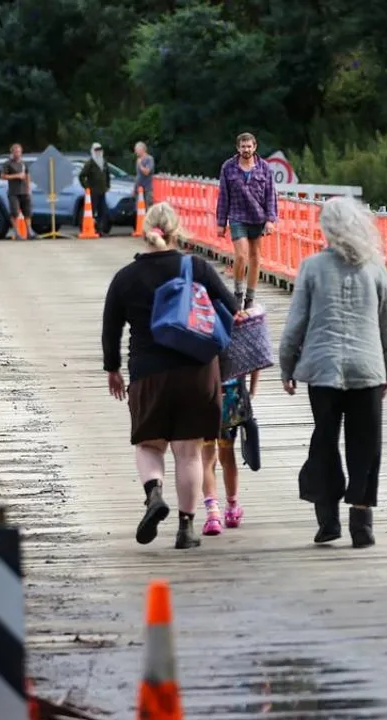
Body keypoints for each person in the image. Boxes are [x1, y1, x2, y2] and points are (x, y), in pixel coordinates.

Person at [101, 202, 240, 550]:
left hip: (148, 375)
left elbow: (110, 329)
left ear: (145, 231)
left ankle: (154, 493)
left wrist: (112, 369)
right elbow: (232, 308)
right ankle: (186, 529)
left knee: (149, 444)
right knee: (189, 453)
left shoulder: (125, 278)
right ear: (177, 231)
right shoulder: (196, 267)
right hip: (197, 372)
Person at [278, 196, 387, 549]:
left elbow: (295, 323)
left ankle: (328, 518)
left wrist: (287, 365)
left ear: (326, 228)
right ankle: (362, 522)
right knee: (366, 444)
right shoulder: (375, 268)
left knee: (325, 439)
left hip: (322, 369)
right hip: (367, 369)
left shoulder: (312, 267)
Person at [215, 132, 278, 310]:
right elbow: (223, 196)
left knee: (255, 258)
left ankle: (250, 297)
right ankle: (237, 293)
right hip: (237, 216)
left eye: (249, 146)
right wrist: (221, 223)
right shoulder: (228, 167)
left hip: (258, 217)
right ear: (238, 148)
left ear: (254, 147)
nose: (246, 149)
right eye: (243, 146)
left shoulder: (264, 168)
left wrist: (271, 219)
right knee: (241, 255)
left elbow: (271, 195)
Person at [200, 364, 260, 536]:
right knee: (227, 455)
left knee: (207, 458)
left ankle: (212, 515)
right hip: (231, 397)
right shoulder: (237, 342)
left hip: (204, 394)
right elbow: (256, 357)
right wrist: (251, 390)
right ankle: (232, 509)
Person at [0, 143, 31, 238]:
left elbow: (27, 175)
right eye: (16, 152)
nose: (17, 154)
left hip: (24, 191)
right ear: (12, 152)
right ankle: (17, 233)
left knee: (27, 212)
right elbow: (2, 176)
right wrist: (17, 176)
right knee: (15, 213)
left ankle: (29, 232)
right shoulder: (8, 163)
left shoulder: (24, 163)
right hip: (14, 192)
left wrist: (28, 188)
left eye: (19, 152)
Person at [79, 142, 111, 234]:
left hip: (102, 191)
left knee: (102, 211)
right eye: (96, 150)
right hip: (93, 192)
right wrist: (86, 187)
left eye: (100, 150)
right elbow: (82, 176)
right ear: (93, 151)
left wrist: (108, 185)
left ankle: (99, 229)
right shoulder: (90, 163)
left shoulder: (104, 162)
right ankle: (90, 228)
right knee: (91, 211)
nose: (98, 152)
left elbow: (107, 175)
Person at [134, 141, 155, 207]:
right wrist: (135, 188)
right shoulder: (138, 159)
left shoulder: (149, 159)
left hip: (147, 189)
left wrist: (140, 164)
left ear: (142, 149)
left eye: (136, 150)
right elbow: (138, 175)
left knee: (148, 208)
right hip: (139, 189)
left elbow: (147, 172)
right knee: (139, 209)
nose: (135, 152)